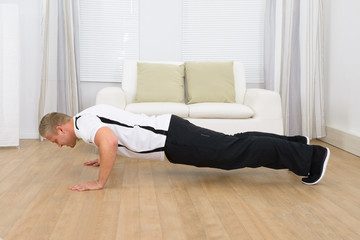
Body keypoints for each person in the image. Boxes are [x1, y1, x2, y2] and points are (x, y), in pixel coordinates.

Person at [39, 104, 330, 191]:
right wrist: (103, 159)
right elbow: (115, 136)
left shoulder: (84, 125)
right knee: (235, 144)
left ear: (61, 129)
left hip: (172, 139)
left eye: (56, 141)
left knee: (233, 153)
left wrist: (100, 182)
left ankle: (311, 158)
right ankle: (295, 145)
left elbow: (111, 140)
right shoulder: (85, 116)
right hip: (172, 134)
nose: (61, 146)